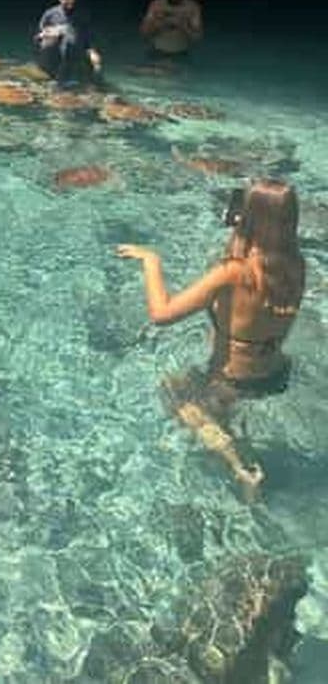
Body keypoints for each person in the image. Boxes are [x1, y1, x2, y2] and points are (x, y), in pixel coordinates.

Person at [116, 179, 305, 495]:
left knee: (175, 394)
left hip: (231, 380)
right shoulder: (296, 265)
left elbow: (161, 315)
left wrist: (151, 261)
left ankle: (240, 467)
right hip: (275, 373)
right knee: (193, 389)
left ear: (249, 218)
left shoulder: (234, 273)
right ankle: (238, 445)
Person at [34, 0, 103, 87]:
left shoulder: (83, 15)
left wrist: (94, 55)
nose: (64, 1)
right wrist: (46, 37)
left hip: (74, 57)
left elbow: (90, 41)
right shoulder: (50, 14)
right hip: (52, 56)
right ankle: (49, 76)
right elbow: (37, 38)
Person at [139, 0, 203, 56]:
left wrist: (183, 26)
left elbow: (198, 36)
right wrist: (159, 25)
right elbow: (143, 32)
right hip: (157, 51)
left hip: (181, 52)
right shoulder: (157, 5)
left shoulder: (192, 7)